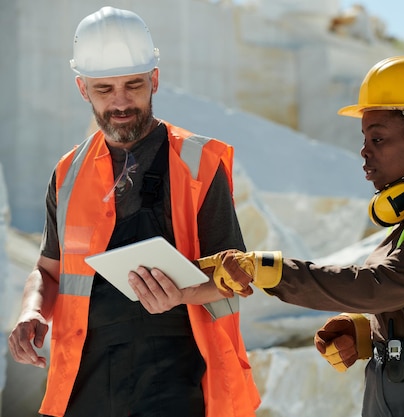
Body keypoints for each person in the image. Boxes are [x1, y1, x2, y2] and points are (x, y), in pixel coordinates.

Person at [201, 56, 404, 416]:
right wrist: (366, 332)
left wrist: (267, 269)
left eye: (378, 137)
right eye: (364, 137)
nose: (364, 150)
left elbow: (378, 285)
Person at [8, 7, 259, 417]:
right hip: (86, 383)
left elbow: (236, 276)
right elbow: (49, 270)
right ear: (82, 88)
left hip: (180, 381)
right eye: (104, 89)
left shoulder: (199, 163)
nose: (120, 102)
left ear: (155, 80)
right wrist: (32, 309)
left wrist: (183, 293)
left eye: (134, 85)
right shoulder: (67, 173)